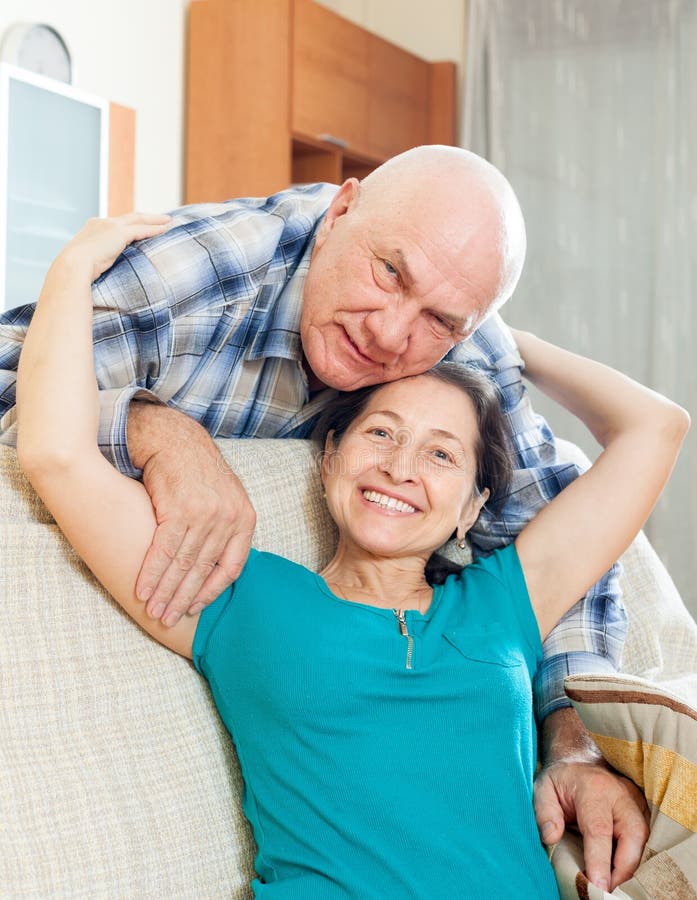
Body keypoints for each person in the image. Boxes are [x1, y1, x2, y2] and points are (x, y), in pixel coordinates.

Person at [0, 148, 640, 888]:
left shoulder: (493, 605)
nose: (391, 333)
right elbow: (55, 453)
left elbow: (635, 450)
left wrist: (571, 743)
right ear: (326, 457)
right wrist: (144, 405)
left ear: (472, 509)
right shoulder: (250, 599)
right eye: (389, 273)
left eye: (439, 318)